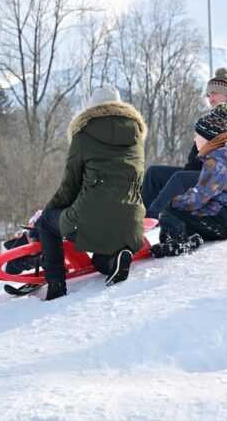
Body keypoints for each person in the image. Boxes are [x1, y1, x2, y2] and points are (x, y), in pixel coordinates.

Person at [36, 86, 147, 300]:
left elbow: (70, 185)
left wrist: (49, 212)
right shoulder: (136, 136)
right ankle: (117, 256)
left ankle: (56, 286)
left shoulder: (83, 135)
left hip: (92, 216)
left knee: (46, 224)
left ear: (92, 108)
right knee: (99, 262)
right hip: (130, 220)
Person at [142, 68, 227, 219]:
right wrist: (186, 174)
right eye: (208, 95)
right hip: (207, 176)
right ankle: (139, 216)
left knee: (180, 178)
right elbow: (196, 156)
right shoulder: (211, 121)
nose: (210, 98)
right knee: (154, 173)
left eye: (214, 93)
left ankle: (151, 218)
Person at [150, 103, 227, 258]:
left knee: (169, 213)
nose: (195, 139)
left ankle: (179, 242)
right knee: (185, 215)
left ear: (209, 138)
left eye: (198, 135)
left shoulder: (217, 162)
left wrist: (173, 202)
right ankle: (187, 238)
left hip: (223, 220)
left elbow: (198, 197)